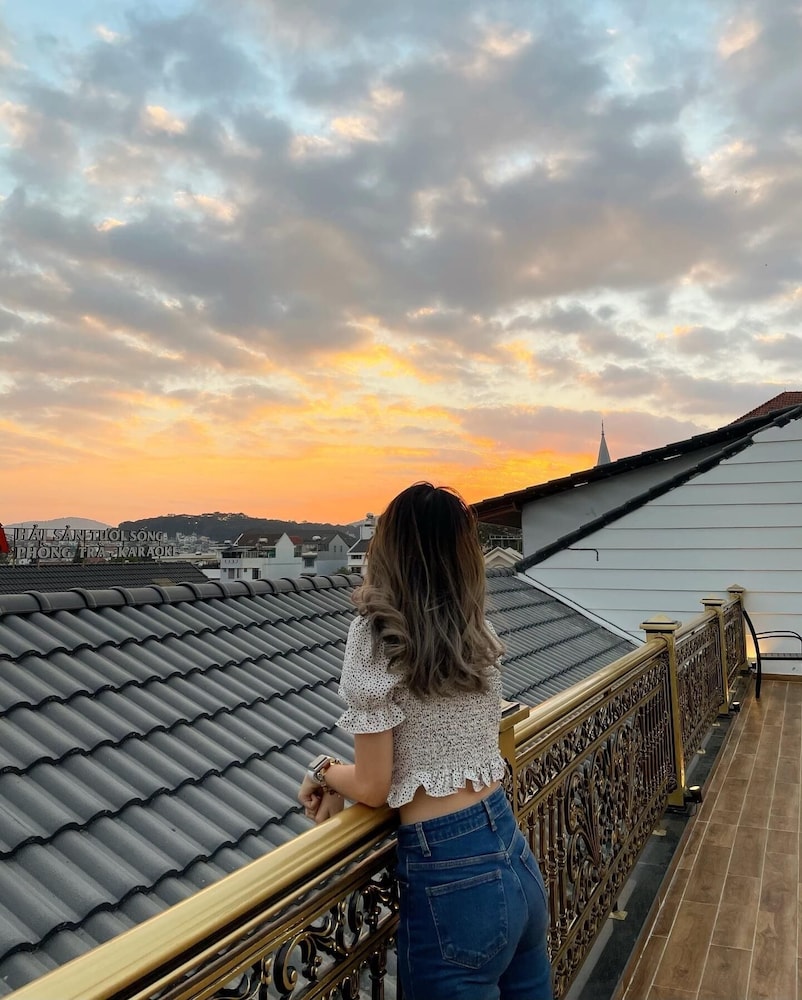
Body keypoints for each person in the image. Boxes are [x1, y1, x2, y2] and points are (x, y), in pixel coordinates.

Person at [298, 483, 552, 1000]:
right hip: (510, 847)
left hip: (452, 877)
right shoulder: (474, 629)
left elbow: (373, 786)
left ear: (388, 550)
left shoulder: (375, 635)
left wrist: (323, 769)